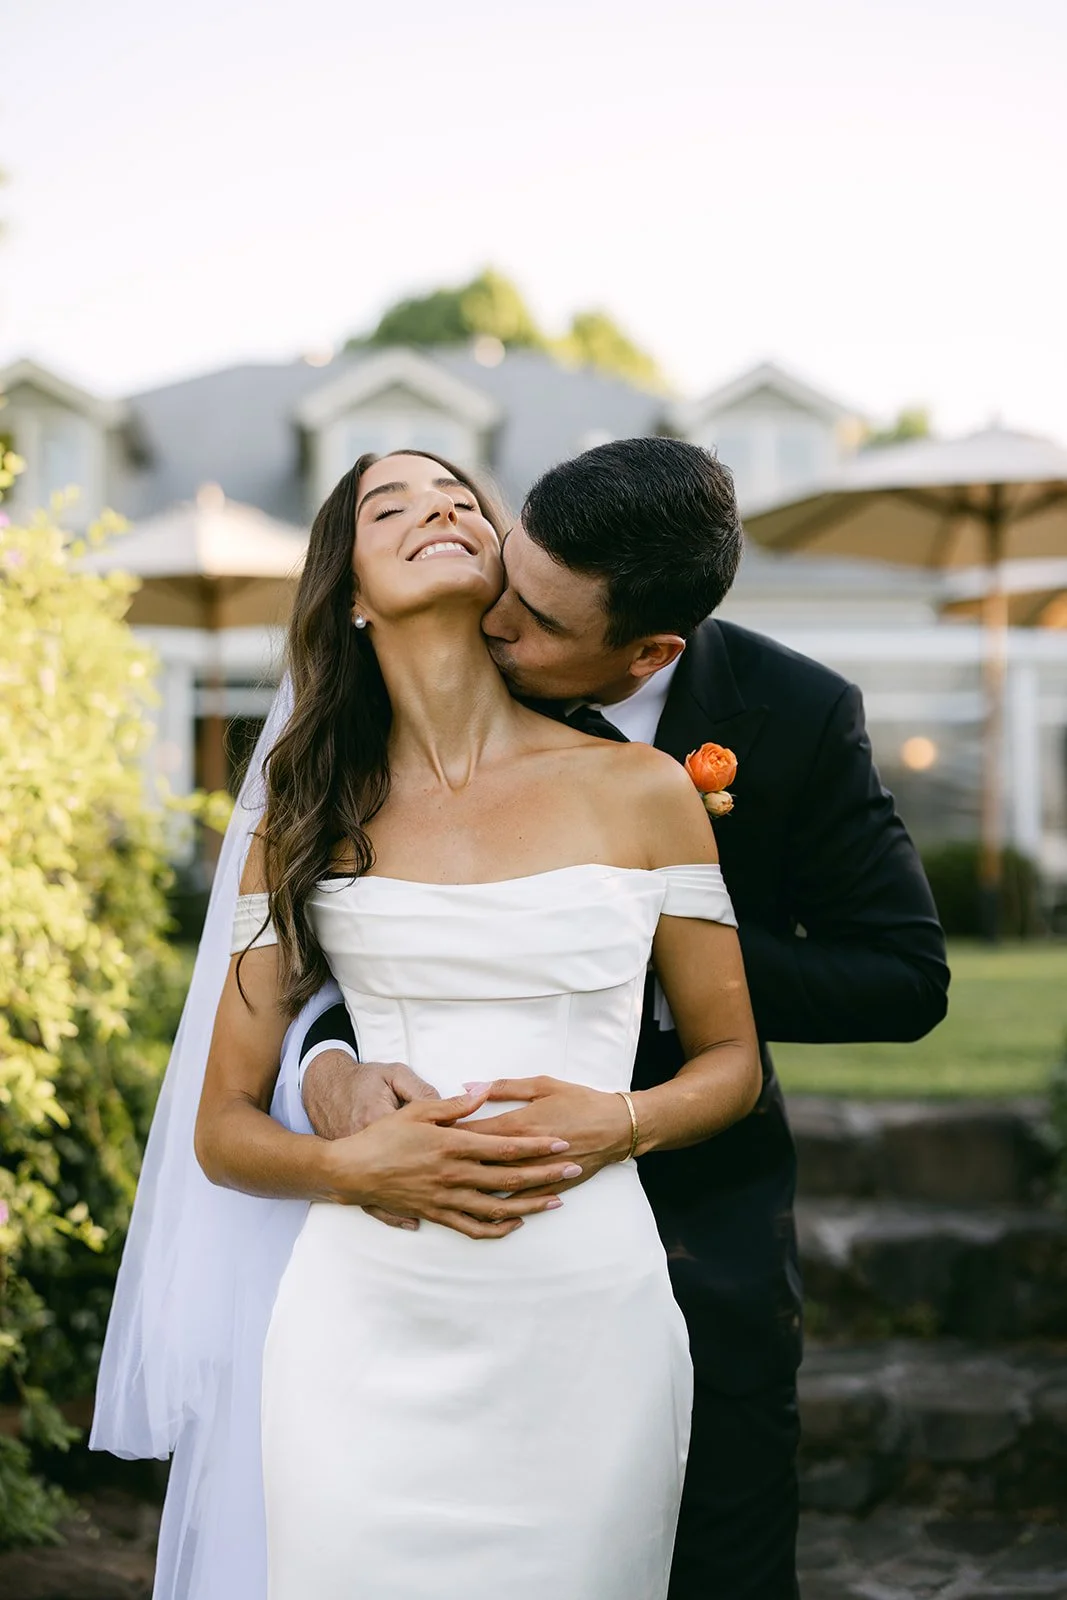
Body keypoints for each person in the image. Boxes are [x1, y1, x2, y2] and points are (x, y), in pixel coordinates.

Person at [285, 436, 951, 1600]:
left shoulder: (792, 713)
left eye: (537, 623)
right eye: (505, 578)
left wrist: (647, 925)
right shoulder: (452, 659)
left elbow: (903, 974)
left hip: (702, 1214)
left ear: (649, 650)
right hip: (442, 1237)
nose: (496, 626)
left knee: (721, 1552)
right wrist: (326, 1059)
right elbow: (359, 928)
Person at [92, 446, 762, 1600]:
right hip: (361, 1322)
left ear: (503, 556)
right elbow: (221, 1129)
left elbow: (730, 1060)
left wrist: (621, 1118)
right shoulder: (302, 817)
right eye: (388, 506)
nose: (437, 509)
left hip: (584, 1317)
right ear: (349, 592)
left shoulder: (646, 791)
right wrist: (353, 1168)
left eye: (460, 497)